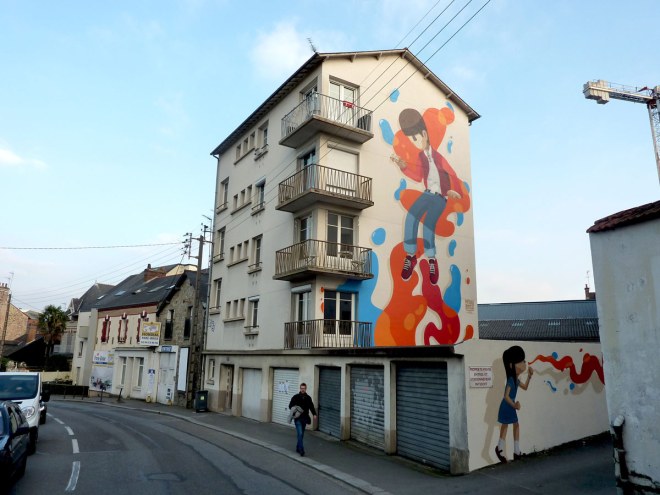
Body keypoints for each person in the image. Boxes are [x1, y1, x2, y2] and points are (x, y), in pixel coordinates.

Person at [390, 108, 461, 284]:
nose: (414, 143)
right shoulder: (421, 157)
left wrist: (452, 191)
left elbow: (452, 174)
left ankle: (431, 260)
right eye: (410, 140)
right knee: (411, 217)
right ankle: (411, 256)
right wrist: (403, 166)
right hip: (427, 194)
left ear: (424, 134)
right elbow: (417, 176)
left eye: (415, 139)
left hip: (440, 198)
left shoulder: (439, 157)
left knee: (428, 223)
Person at [495, 345, 533, 463]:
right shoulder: (511, 380)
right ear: (511, 365)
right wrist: (514, 405)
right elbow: (506, 396)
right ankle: (509, 450)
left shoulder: (516, 380)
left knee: (508, 425)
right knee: (511, 425)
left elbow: (525, 387)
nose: (524, 364)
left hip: (510, 405)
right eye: (521, 361)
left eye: (524, 361)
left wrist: (529, 376)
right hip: (507, 405)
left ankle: (504, 449)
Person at [288, 382, 317, 456]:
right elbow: (290, 406)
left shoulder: (308, 398)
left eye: (304, 388)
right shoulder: (295, 397)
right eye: (301, 388)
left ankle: (298, 447)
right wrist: (295, 409)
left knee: (301, 434)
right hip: (297, 418)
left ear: (306, 389)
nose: (302, 389)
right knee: (300, 433)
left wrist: (314, 414)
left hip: (305, 418)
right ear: (300, 388)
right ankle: (301, 450)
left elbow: (311, 407)